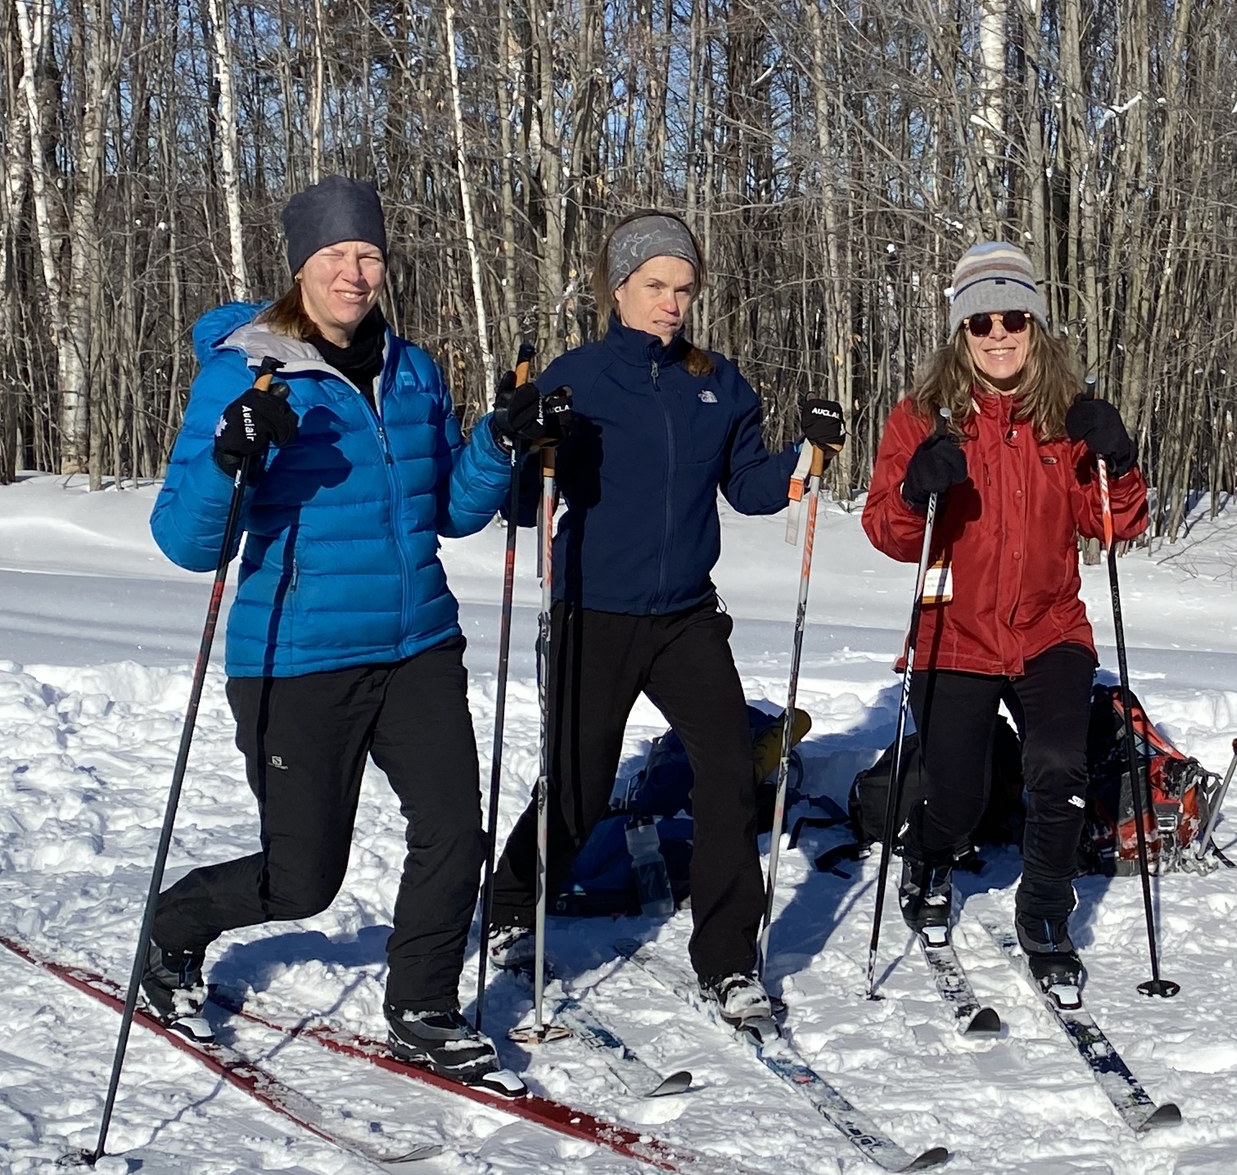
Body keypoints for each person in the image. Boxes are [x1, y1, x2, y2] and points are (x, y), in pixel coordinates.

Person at [147, 176, 545, 1084]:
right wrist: (230, 456)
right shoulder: (246, 372)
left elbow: (449, 509)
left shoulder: (412, 370)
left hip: (417, 645)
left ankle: (423, 1004)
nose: (354, 273)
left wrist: (496, 443)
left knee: (455, 831)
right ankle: (173, 927)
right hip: (298, 656)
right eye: (335, 255)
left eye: (368, 254)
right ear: (301, 266)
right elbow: (187, 542)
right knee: (302, 880)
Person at [483, 210, 845, 1026]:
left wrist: (804, 457)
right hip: (593, 613)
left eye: (683, 288)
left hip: (685, 616)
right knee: (578, 786)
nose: (671, 303)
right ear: (619, 288)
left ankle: (728, 960)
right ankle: (510, 903)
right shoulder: (577, 379)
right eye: (655, 286)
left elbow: (748, 487)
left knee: (729, 772)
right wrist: (521, 439)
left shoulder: (718, 384)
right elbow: (522, 504)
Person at [863, 241, 1146, 988]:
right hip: (953, 632)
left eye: (1013, 319)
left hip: (1050, 628)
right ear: (960, 331)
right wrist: (914, 491)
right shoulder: (924, 417)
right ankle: (928, 856)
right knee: (957, 796)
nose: (998, 335)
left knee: (1059, 767)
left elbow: (1114, 524)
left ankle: (1045, 908)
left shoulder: (1067, 417)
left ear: (1035, 326)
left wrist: (1118, 462)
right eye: (980, 321)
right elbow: (889, 533)